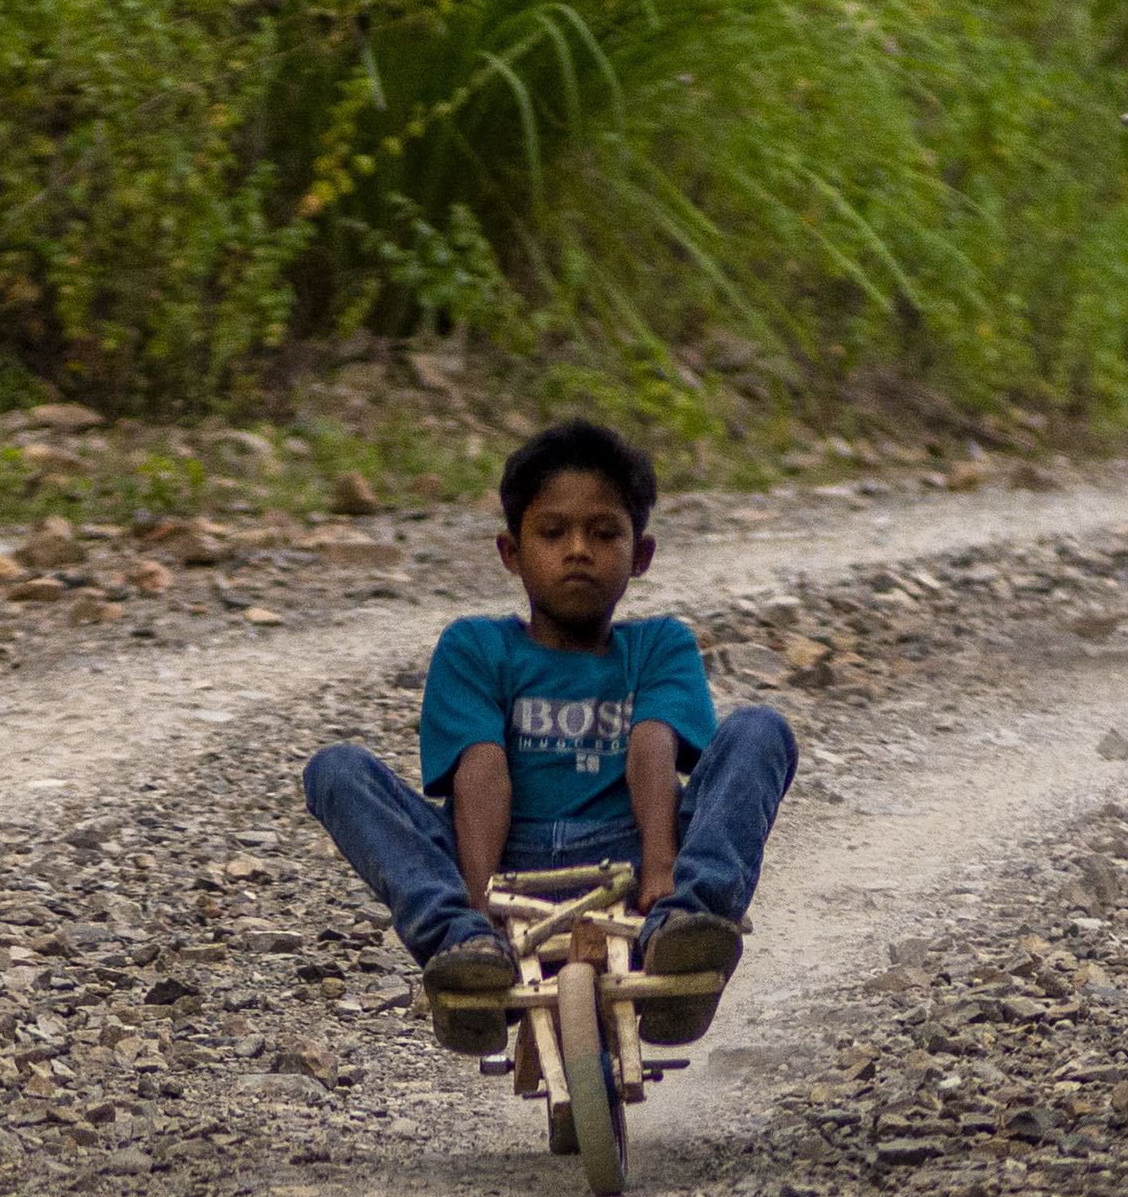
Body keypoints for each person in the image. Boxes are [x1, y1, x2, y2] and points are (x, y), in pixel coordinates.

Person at [301, 421, 791, 1055]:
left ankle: (684, 929)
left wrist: (662, 871)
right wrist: (481, 906)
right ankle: (460, 944)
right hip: (503, 862)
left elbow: (652, 745)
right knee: (336, 770)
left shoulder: (659, 644)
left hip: (636, 857)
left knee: (760, 730)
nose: (579, 550)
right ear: (512, 552)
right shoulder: (477, 646)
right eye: (553, 533)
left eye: (605, 533)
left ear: (640, 555)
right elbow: (481, 768)